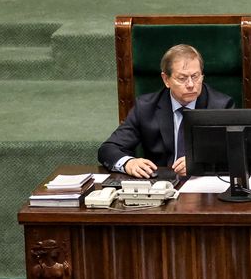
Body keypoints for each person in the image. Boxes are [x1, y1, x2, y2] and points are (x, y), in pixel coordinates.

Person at [98, 44, 235, 178]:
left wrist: (201, 162)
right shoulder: (146, 107)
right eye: (182, 78)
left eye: (195, 76)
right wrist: (128, 162)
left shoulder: (221, 106)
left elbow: (235, 152)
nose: (190, 84)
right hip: (160, 183)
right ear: (166, 79)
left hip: (203, 184)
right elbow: (108, 149)